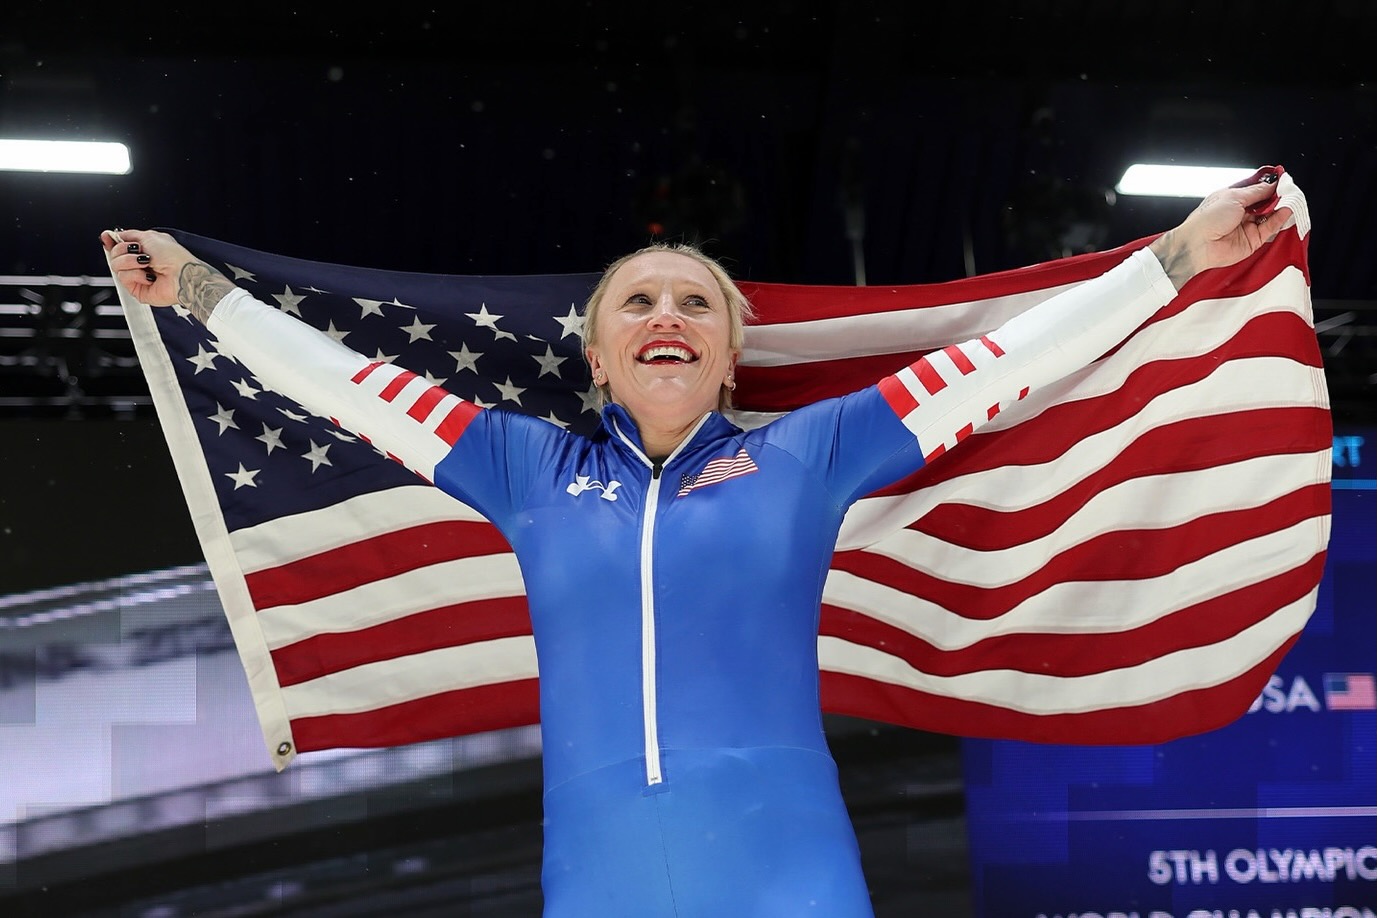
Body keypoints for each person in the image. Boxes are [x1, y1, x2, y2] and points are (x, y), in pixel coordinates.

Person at [102, 174, 1291, 917]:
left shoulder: (811, 456)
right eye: (637, 302)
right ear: (599, 358)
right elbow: (357, 390)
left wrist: (1177, 256)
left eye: (695, 303)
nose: (665, 314)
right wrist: (204, 296)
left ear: (729, 355)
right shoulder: (526, 470)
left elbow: (1006, 362)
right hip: (598, 888)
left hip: (792, 882)